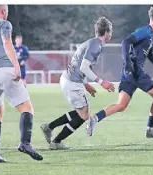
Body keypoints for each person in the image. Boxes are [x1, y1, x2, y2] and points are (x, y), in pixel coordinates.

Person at [87, 6, 153, 139]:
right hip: (135, 71)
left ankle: (95, 118)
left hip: (129, 73)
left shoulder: (151, 35)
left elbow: (150, 55)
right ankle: (151, 128)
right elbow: (126, 42)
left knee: (121, 105)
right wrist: (128, 63)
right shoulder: (145, 31)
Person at [40, 16, 115, 150]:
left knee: (80, 112)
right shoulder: (96, 45)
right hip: (72, 82)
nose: (111, 35)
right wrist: (101, 82)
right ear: (107, 32)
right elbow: (84, 67)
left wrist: (86, 84)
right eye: (111, 32)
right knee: (84, 115)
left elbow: (80, 65)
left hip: (69, 79)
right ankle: (56, 141)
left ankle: (49, 127)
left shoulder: (91, 42)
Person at [0, 5, 43, 163]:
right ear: (3, 11)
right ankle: (25, 143)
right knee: (27, 108)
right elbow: (7, 43)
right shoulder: (4, 24)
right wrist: (16, 66)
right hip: (4, 69)